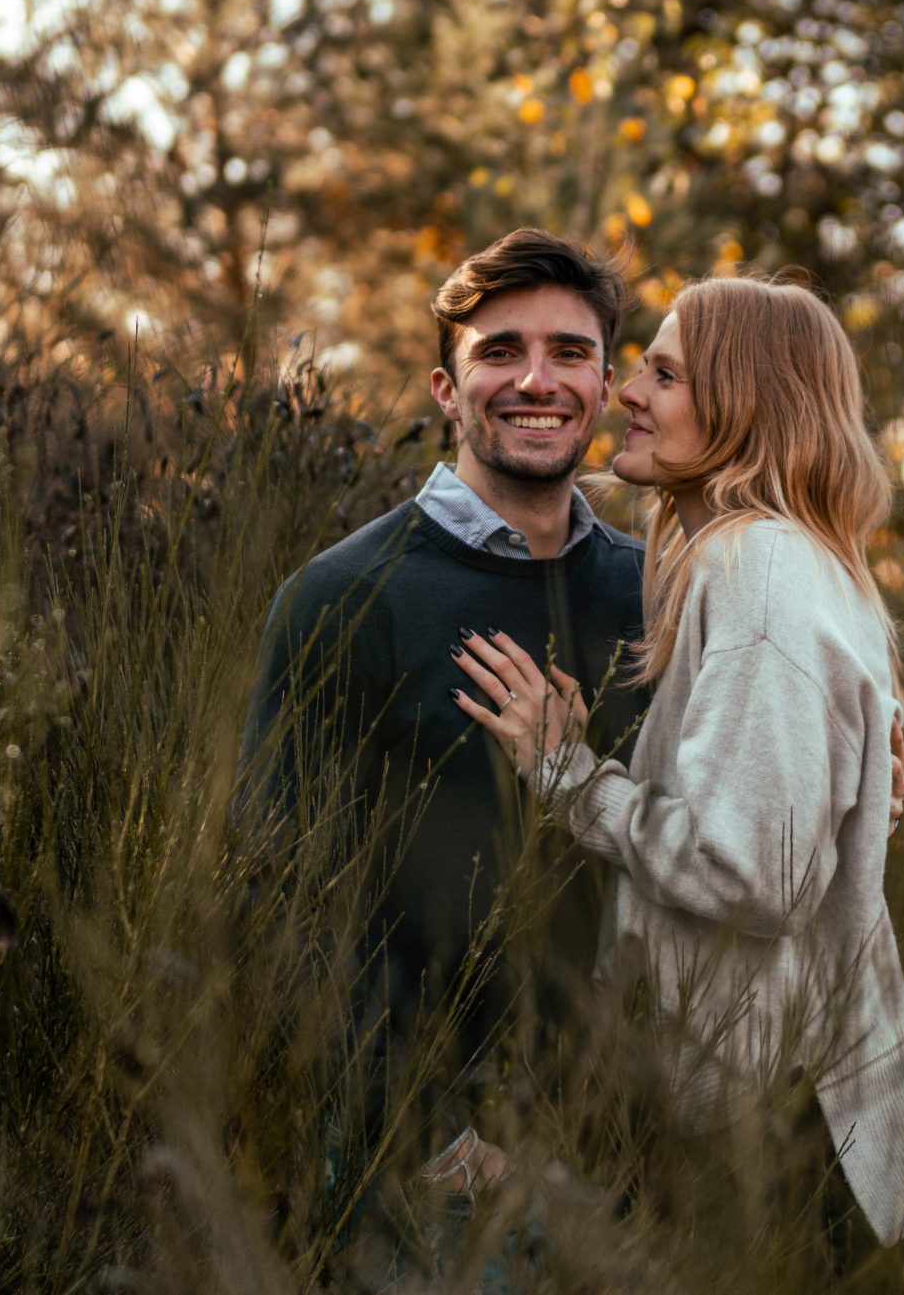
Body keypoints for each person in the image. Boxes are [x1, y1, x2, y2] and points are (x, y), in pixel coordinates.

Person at [449, 273, 904, 1258]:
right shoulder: (787, 560)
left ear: (744, 404)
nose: (628, 393)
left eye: (665, 375)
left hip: (770, 1139)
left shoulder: (756, 568)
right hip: (782, 1113)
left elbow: (753, 873)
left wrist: (570, 777)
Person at [240, 228, 652, 1203]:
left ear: (603, 385)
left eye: (568, 352)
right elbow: (280, 893)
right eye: (500, 351)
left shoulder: (657, 591)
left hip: (635, 1147)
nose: (536, 380)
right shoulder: (347, 596)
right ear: (445, 390)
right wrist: (427, 1136)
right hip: (438, 1174)